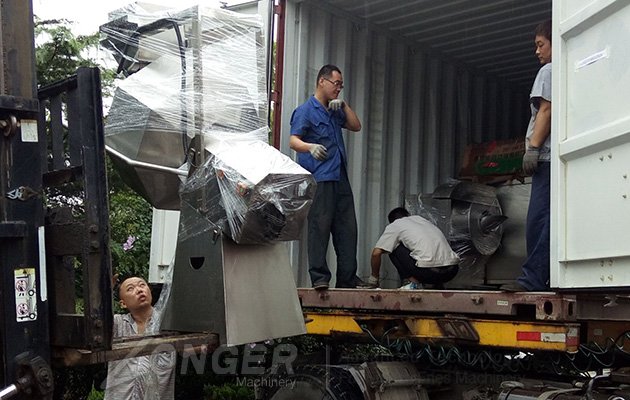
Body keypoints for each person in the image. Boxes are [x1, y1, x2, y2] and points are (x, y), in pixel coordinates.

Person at [289, 64, 362, 289]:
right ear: (322, 81)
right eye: (336, 83)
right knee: (320, 227)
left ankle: (348, 278)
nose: (338, 88)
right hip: (320, 178)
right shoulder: (305, 110)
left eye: (341, 85)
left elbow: (356, 126)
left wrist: (345, 105)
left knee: (347, 228)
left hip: (339, 176)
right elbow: (294, 140)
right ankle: (319, 277)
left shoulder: (335, 109)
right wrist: (309, 147)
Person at [502, 20, 552, 292]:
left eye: (540, 44)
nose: (537, 51)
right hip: (552, 159)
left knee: (538, 221)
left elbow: (546, 111)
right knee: (545, 221)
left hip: (545, 158)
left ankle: (533, 279)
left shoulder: (549, 70)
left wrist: (532, 148)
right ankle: (542, 277)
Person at [104, 276, 175, 399]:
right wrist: (103, 291)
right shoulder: (117, 324)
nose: (139, 290)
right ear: (123, 304)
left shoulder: (168, 323)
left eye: (142, 285)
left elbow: (188, 348)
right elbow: (95, 323)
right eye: (130, 289)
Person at [367, 207, 460, 290]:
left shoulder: (395, 225)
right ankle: (436, 285)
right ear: (408, 215)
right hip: (452, 271)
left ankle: (413, 283)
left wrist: (374, 279)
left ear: (392, 221)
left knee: (392, 247)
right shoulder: (423, 221)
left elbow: (376, 253)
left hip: (429, 273)